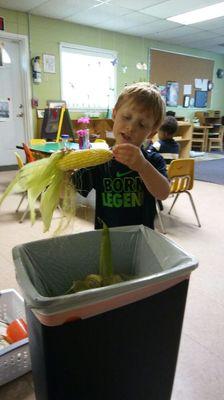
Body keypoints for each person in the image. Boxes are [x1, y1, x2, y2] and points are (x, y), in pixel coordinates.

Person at [72, 82, 170, 230]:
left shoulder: (153, 160)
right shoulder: (100, 160)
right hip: (106, 238)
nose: (131, 128)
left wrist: (143, 167)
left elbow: (163, 193)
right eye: (126, 117)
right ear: (115, 114)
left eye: (142, 125)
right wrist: (65, 169)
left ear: (151, 133)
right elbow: (74, 186)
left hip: (141, 237)